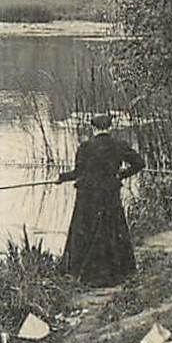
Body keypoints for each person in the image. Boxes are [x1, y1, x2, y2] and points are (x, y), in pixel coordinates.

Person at [56, 113, 145, 287]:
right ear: (110, 127)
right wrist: (121, 174)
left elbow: (78, 173)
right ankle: (118, 271)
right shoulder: (119, 145)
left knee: (85, 231)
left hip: (87, 197)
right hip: (109, 195)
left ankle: (80, 272)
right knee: (112, 229)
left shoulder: (85, 147)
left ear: (93, 128)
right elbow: (139, 163)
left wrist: (61, 178)